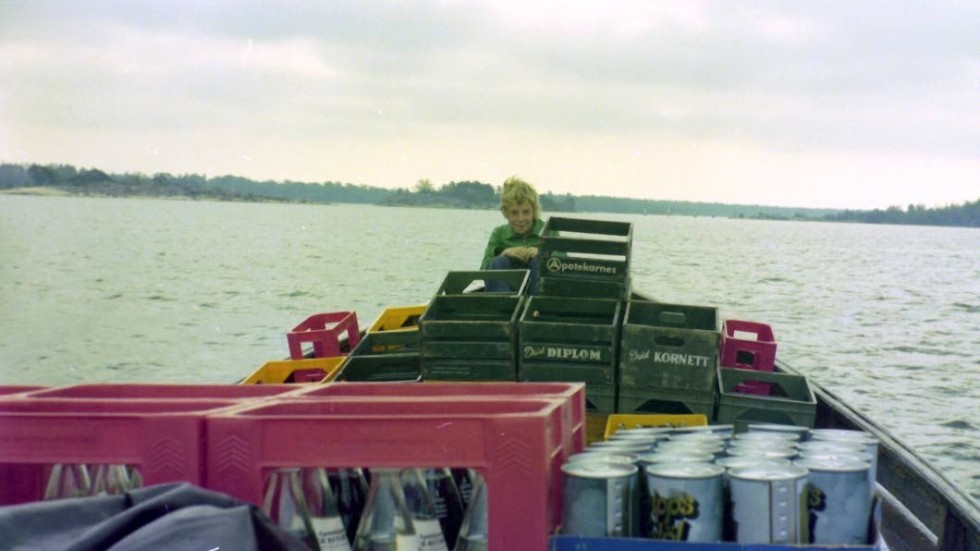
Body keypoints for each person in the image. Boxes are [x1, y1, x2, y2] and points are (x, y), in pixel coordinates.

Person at [480, 176, 544, 293]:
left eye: (526, 212)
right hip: (507, 290)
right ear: (505, 213)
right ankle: (504, 307)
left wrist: (542, 253)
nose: (520, 219)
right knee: (497, 262)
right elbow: (484, 268)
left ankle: (537, 307)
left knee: (538, 261)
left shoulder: (546, 231)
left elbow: (565, 262)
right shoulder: (499, 233)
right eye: (514, 213)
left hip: (540, 292)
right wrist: (504, 253)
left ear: (534, 211)